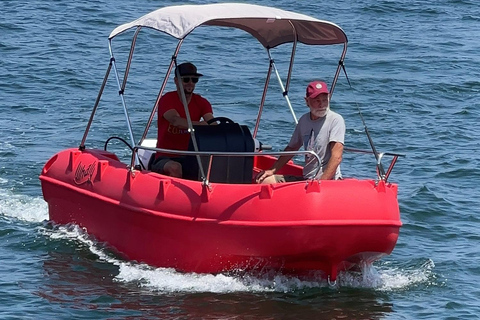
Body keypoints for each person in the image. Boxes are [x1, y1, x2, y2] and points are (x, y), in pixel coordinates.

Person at [256, 80, 345, 184]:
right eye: (317, 101)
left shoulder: (335, 120)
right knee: (265, 180)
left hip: (327, 181)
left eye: (325, 100)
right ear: (307, 101)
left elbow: (337, 157)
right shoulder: (304, 120)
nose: (322, 105)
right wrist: (272, 170)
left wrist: (321, 183)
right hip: (307, 178)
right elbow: (292, 148)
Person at [151, 62, 214, 177]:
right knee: (175, 168)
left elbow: (211, 122)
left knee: (211, 167)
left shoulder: (202, 102)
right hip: (165, 157)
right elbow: (176, 121)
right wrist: (201, 125)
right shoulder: (167, 99)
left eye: (194, 80)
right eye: (186, 80)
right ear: (176, 81)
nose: (190, 83)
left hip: (191, 156)